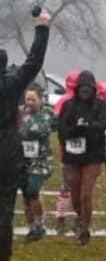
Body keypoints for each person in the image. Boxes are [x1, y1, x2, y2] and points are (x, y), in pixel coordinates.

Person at [0, 9, 51, 261]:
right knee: (5, 208)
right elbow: (33, 62)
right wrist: (42, 28)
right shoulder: (12, 84)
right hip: (8, 146)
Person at [53, 71, 106, 235]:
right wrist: (76, 128)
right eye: (82, 88)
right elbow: (61, 129)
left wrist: (89, 125)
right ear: (77, 88)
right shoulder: (68, 105)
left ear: (93, 89)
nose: (85, 91)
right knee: (76, 195)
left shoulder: (99, 106)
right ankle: (80, 217)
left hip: (93, 156)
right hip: (72, 156)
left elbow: (104, 124)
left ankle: (85, 227)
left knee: (86, 194)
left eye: (88, 88)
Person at [19, 83, 55, 241]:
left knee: (33, 190)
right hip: (23, 160)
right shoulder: (19, 113)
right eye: (28, 99)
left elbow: (62, 126)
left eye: (33, 99)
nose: (30, 103)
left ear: (41, 99)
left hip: (42, 160)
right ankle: (32, 227)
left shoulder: (48, 114)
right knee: (26, 194)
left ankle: (40, 224)